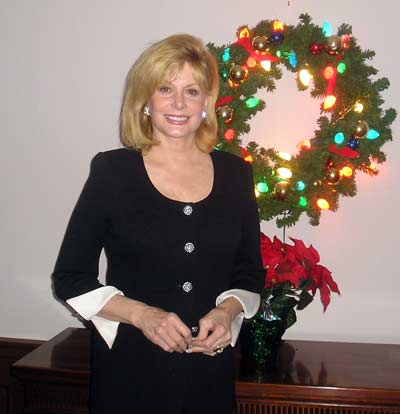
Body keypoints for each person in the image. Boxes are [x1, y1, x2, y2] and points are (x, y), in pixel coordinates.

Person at [52, 34, 264, 414]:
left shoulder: (236, 175)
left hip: (209, 378)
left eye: (192, 91)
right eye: (166, 89)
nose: (179, 103)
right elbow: (70, 277)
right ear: (146, 100)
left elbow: (249, 274)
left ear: (206, 103)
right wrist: (142, 315)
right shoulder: (112, 172)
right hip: (129, 376)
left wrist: (227, 311)